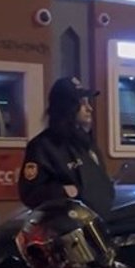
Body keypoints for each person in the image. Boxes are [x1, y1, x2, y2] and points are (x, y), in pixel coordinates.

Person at [19, 77, 114, 217]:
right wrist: (66, 191)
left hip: (98, 224)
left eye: (88, 102)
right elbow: (31, 193)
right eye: (82, 103)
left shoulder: (84, 141)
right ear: (67, 107)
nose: (90, 108)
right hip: (66, 226)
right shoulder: (43, 146)